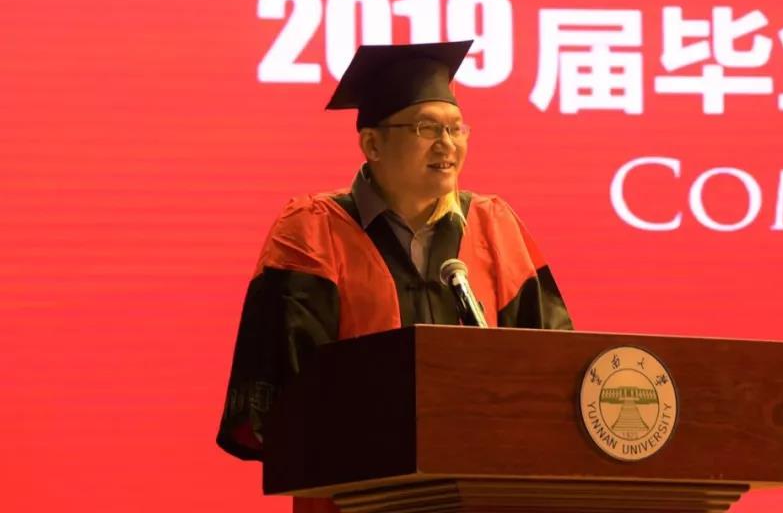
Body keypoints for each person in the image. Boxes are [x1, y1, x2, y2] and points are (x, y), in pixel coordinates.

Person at [216, 41, 573, 510]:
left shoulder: (494, 225)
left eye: (455, 128)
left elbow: (551, 369)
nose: (447, 144)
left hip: (480, 491)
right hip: (355, 493)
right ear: (372, 144)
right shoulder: (313, 229)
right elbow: (289, 386)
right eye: (427, 128)